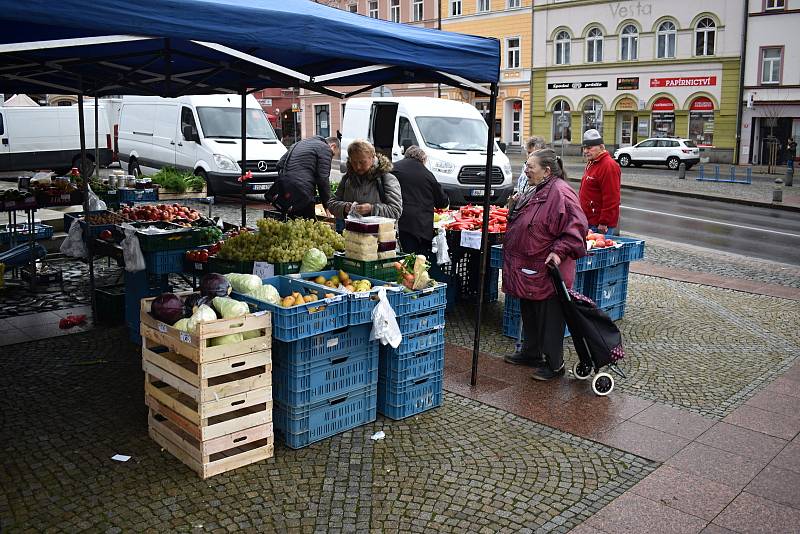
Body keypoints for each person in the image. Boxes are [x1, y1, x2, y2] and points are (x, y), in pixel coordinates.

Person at [502, 148, 588, 380]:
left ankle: (555, 364)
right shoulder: (537, 189)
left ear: (547, 171)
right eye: (526, 166)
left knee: (550, 317)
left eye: (531, 166)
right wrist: (515, 207)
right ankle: (531, 353)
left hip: (548, 268)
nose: (526, 170)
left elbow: (577, 228)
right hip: (530, 266)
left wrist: (559, 253)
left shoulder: (561, 192)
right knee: (530, 310)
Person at [392, 145, 449, 257]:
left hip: (398, 221)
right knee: (418, 259)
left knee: (402, 256)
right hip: (421, 225)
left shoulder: (394, 168)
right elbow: (442, 202)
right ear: (423, 159)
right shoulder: (427, 174)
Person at [267, 135, 340, 219]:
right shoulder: (325, 148)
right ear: (333, 146)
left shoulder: (298, 144)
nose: (331, 156)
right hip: (303, 193)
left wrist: (288, 182)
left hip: (287, 191)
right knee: (309, 224)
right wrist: (327, 206)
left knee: (292, 222)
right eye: (333, 154)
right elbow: (323, 179)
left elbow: (279, 164)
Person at [328, 139, 403, 220]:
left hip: (378, 232)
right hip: (352, 231)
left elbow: (396, 211)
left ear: (373, 158)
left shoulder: (386, 178)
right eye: (354, 162)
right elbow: (331, 203)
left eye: (362, 162)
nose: (358, 167)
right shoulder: (347, 178)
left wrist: (371, 209)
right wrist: (345, 207)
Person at [579, 129, 620, 236]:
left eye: (589, 148)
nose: (585, 151)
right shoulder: (592, 162)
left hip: (599, 225)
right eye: (584, 148)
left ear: (601, 147)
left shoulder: (608, 165)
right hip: (589, 221)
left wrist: (604, 222)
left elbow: (612, 198)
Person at [508, 136, 548, 210]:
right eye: (529, 152)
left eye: (534, 153)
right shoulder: (525, 166)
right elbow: (522, 186)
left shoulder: (543, 170)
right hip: (521, 206)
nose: (530, 156)